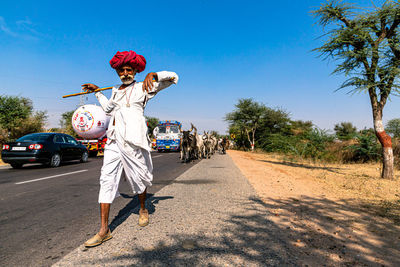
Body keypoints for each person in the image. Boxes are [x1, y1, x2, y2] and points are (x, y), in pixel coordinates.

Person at [82, 50, 178, 247]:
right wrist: (98, 92)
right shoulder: (116, 90)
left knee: (138, 176)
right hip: (114, 140)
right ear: (118, 73)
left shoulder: (145, 87)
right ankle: (104, 230)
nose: (125, 73)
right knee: (106, 179)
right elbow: (109, 109)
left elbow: (174, 77)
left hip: (134, 140)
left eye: (129, 70)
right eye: (121, 70)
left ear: (135, 71)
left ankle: (143, 208)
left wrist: (155, 75)